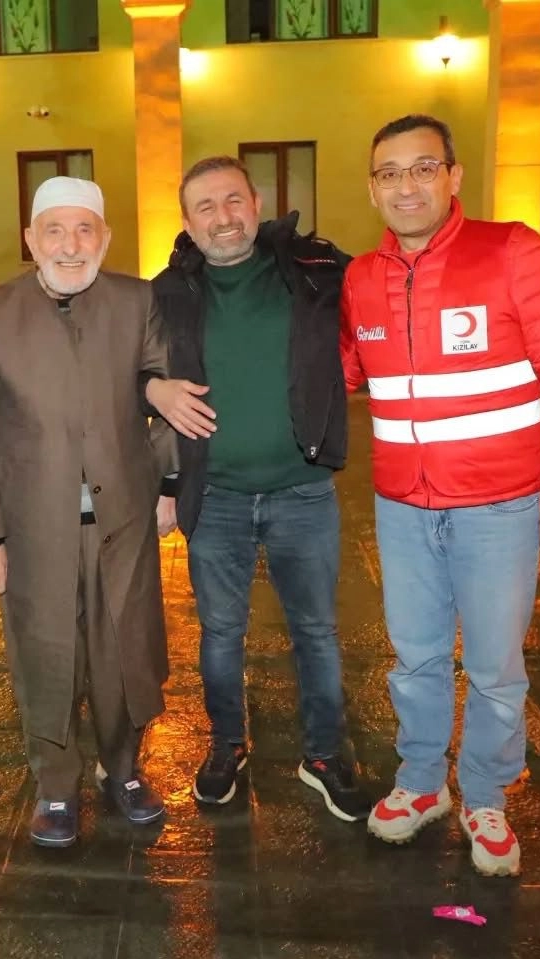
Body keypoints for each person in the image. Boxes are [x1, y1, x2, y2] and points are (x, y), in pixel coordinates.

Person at [341, 114, 540, 877]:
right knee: (414, 656)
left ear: (453, 177)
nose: (406, 185)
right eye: (389, 172)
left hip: (499, 507)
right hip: (403, 505)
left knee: (493, 664)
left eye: (422, 167)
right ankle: (423, 780)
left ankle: (485, 794)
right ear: (372, 189)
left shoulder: (512, 252)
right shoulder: (361, 278)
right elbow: (341, 369)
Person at [0, 176, 176, 848]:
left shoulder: (137, 302)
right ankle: (54, 782)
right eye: (55, 230)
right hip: (33, 528)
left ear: (105, 237)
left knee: (124, 649)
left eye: (84, 230)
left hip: (122, 521)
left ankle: (122, 768)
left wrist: (167, 485)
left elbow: (162, 390)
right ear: (31, 239)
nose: (70, 245)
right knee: (45, 653)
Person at [143, 155, 371, 823]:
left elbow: (383, 313)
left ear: (256, 203)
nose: (223, 217)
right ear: (187, 222)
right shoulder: (166, 293)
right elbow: (124, 365)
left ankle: (323, 754)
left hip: (302, 490)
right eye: (205, 206)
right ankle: (227, 745)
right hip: (214, 495)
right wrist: (152, 390)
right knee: (220, 632)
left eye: (233, 200)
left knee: (316, 631)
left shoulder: (313, 270)